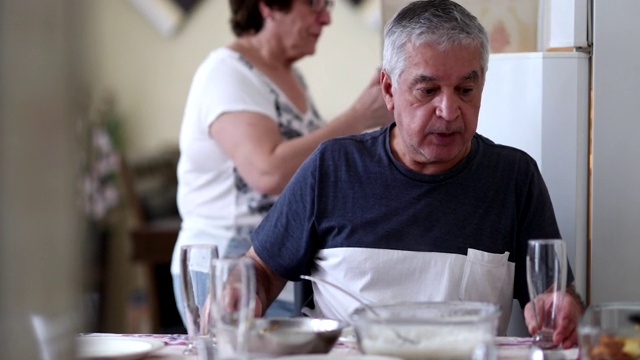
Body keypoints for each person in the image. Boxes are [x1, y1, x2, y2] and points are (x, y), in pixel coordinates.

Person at [244, 0, 585, 348]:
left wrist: (563, 309)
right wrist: (241, 291)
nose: (449, 111)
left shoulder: (513, 177)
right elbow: (260, 270)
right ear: (389, 90)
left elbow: (552, 295)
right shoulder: (334, 167)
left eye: (465, 90)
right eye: (428, 90)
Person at [170, 0, 394, 325]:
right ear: (269, 7)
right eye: (316, 4)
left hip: (277, 257)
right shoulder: (226, 72)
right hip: (229, 265)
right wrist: (358, 117)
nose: (327, 18)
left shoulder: (291, 77)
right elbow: (267, 172)